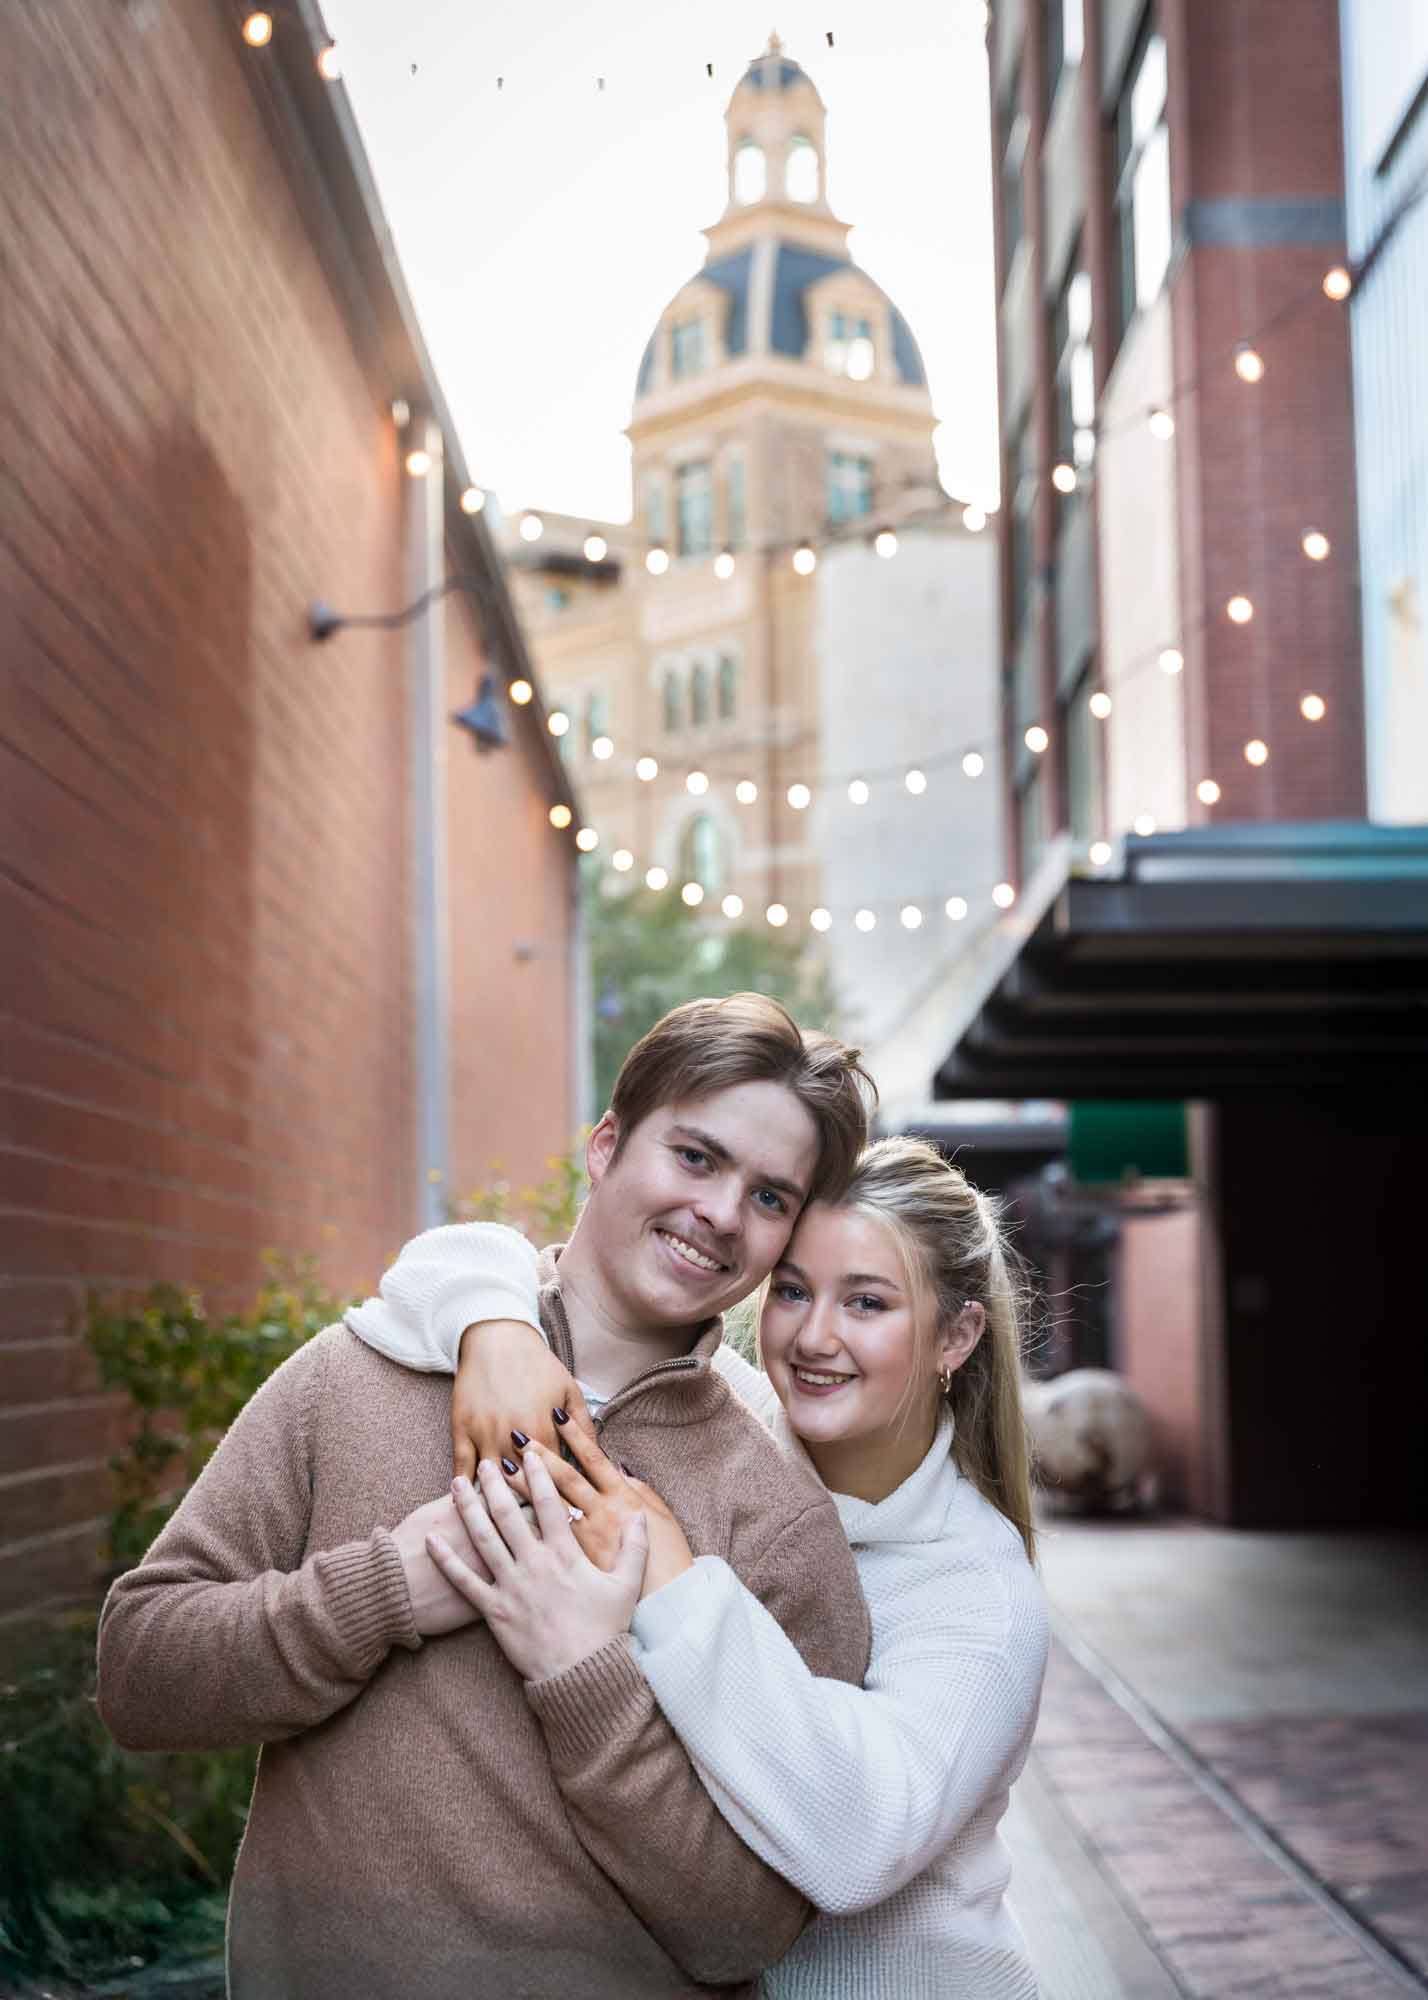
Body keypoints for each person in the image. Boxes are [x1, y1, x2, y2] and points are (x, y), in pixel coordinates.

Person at [96, 995, 877, 1999]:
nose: (723, 1213)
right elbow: (139, 1671)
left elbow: (748, 1928)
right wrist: (385, 1590)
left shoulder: (777, 1516)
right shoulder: (358, 1372)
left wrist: (586, 1677)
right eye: (695, 1156)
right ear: (605, 1146)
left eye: (771, 1197)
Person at [363, 1135, 1049, 1997]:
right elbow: (465, 1258)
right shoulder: (737, 1423)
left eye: (867, 1303)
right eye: (793, 1291)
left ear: (958, 1336)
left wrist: (681, 1589)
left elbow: (858, 1843)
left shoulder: (977, 1592)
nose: (814, 1337)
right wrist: (495, 1329)